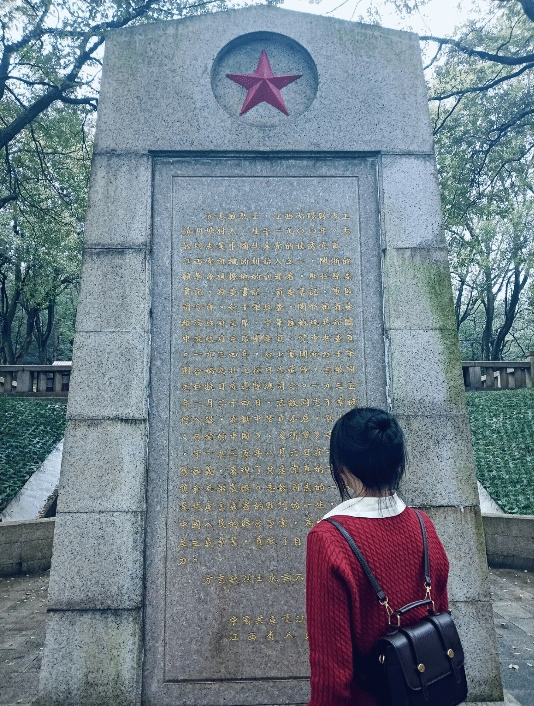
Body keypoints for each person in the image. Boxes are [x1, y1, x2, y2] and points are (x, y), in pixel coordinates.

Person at [306, 407, 449, 706]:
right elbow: (440, 620)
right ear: (397, 463)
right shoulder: (423, 525)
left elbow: (332, 679)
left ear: (342, 468)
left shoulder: (328, 539)